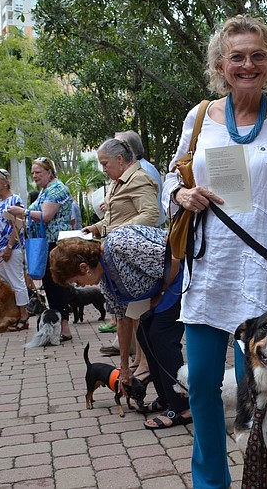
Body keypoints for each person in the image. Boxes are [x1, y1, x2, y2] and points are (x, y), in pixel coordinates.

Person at [163, 14, 267, 489]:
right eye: (237, 56)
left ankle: (265, 479)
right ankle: (211, 482)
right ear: (220, 64)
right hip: (210, 276)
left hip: (265, 279)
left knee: (263, 395)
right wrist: (180, 195)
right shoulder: (198, 119)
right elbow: (173, 178)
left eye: (258, 56)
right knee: (202, 390)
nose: (247, 64)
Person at [49, 230, 190, 430]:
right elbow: (123, 320)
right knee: (144, 335)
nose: (79, 286)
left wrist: (161, 294)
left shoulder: (120, 246)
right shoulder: (106, 279)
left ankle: (183, 407)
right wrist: (123, 368)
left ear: (84, 268)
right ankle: (167, 399)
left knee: (161, 337)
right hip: (163, 291)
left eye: (76, 282)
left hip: (180, 280)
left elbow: (174, 261)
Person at [82, 138, 160, 378]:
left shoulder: (138, 179)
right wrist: (96, 228)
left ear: (119, 159)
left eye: (105, 163)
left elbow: (151, 213)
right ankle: (137, 359)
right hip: (117, 255)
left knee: (139, 311)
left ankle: (146, 363)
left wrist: (118, 234)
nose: (103, 168)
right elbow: (113, 220)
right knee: (128, 314)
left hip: (132, 256)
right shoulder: (119, 182)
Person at [6, 157, 75, 342]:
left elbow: (46, 216)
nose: (35, 176)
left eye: (38, 172)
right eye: (33, 173)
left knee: (57, 285)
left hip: (55, 243)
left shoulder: (57, 189)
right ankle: (58, 326)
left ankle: (63, 327)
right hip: (45, 243)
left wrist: (23, 212)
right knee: (51, 286)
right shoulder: (45, 191)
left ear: (49, 172)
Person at [0, 168, 30, 331]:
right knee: (5, 284)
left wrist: (9, 246)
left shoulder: (15, 200)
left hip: (11, 249)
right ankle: (11, 315)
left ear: (5, 182)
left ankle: (24, 316)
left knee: (17, 282)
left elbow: (19, 224)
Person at [115, 130, 166, 227]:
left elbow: (149, 212)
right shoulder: (135, 169)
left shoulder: (143, 171)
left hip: (146, 231)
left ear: (132, 150)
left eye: (118, 147)